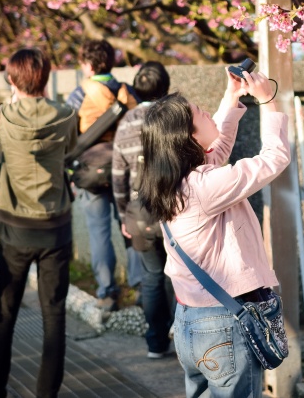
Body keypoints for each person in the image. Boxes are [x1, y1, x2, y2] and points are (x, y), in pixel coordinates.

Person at [138, 69, 289, 398]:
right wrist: (268, 101)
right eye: (200, 113)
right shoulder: (204, 188)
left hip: (190, 321)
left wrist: (231, 97)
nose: (206, 112)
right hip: (224, 325)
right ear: (188, 138)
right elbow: (275, 158)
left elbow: (216, 149)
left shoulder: (172, 180)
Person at [0, 48, 77, 398]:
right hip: (56, 227)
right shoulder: (66, 114)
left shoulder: (3, 115)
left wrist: (1, 108)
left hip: (15, 228)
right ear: (46, 78)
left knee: (4, 314)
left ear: (11, 79)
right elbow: (70, 149)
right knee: (54, 316)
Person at [66, 39, 140, 309]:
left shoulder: (78, 94)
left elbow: (69, 132)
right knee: (131, 227)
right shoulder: (127, 91)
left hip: (92, 170)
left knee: (99, 232)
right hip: (128, 169)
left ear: (87, 65)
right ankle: (140, 287)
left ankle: (108, 293)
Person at [111, 62, 175, 358]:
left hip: (140, 212)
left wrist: (124, 213)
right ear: (165, 87)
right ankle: (184, 335)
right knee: (179, 274)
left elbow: (118, 176)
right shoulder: (174, 116)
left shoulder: (126, 121)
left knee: (151, 275)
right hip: (176, 208)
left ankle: (155, 343)